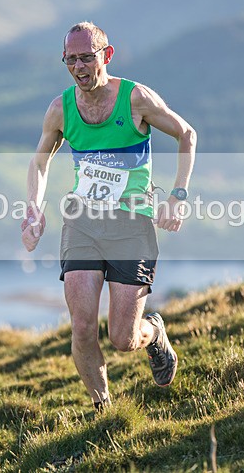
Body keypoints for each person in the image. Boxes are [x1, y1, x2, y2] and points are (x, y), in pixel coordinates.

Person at [21, 21, 196, 410]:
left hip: (131, 227)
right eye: (70, 59)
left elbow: (187, 134)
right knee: (82, 327)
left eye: (87, 57)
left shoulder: (135, 98)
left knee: (123, 338)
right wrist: (34, 206)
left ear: (107, 55)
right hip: (82, 223)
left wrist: (178, 196)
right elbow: (40, 163)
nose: (79, 67)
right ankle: (105, 410)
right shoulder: (61, 108)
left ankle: (153, 333)